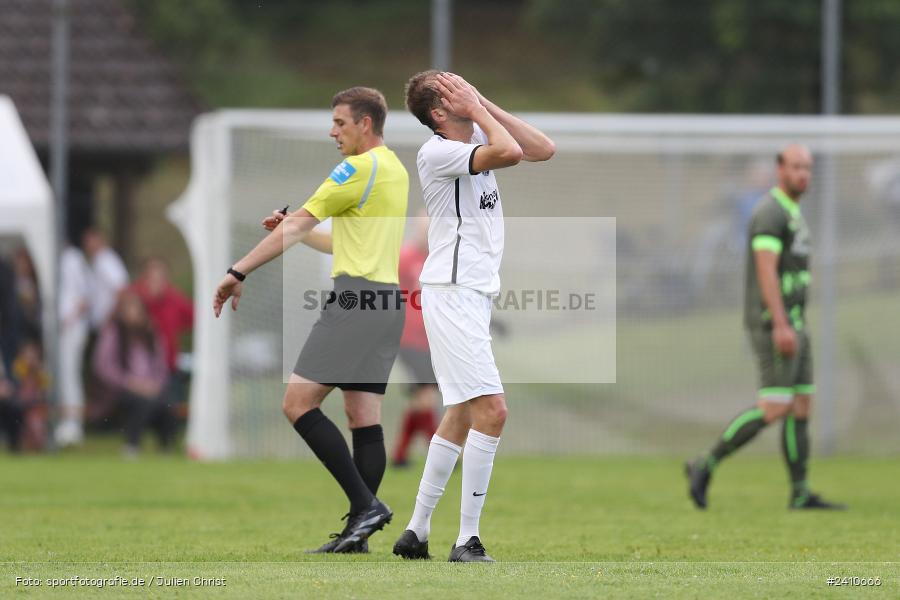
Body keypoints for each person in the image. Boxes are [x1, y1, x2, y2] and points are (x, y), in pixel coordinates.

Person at [214, 87, 409, 553]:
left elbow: (302, 222)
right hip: (387, 302)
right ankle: (357, 535)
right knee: (363, 417)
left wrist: (237, 270)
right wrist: (294, 228)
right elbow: (340, 240)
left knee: (297, 404)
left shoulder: (356, 167)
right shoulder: (394, 169)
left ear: (366, 124)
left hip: (356, 300)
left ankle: (367, 507)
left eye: (340, 123)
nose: (332, 131)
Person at [392, 71, 555, 562]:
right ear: (439, 114)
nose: (467, 94)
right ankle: (466, 541)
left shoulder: (479, 132)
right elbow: (509, 154)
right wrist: (479, 110)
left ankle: (416, 533)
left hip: (473, 294)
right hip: (452, 292)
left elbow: (542, 149)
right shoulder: (437, 151)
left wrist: (482, 101)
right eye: (454, 93)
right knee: (493, 411)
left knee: (461, 412)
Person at [685, 144, 845, 511]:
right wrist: (781, 324)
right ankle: (704, 464)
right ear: (780, 170)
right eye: (795, 167)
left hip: (796, 323)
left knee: (802, 403)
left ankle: (800, 493)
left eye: (807, 167)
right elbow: (765, 269)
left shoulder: (793, 213)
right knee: (774, 407)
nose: (803, 173)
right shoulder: (770, 212)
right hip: (776, 324)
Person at [93, 291, 174, 455]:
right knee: (140, 402)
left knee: (167, 402)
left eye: (136, 310)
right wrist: (130, 383)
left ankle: (166, 446)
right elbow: (104, 367)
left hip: (150, 389)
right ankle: (132, 445)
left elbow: (161, 366)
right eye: (129, 310)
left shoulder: (151, 334)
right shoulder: (113, 334)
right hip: (120, 391)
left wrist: (154, 385)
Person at [392, 214, 439, 467]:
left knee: (419, 398)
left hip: (433, 338)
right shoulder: (404, 258)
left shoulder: (438, 259)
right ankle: (443, 456)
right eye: (425, 228)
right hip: (409, 338)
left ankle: (400, 455)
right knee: (426, 395)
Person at [55, 244, 92, 446]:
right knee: (61, 376)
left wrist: (70, 316)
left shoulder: (72, 258)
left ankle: (73, 424)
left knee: (70, 375)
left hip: (71, 328)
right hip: (61, 328)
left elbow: (83, 297)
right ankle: (63, 421)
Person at [82, 228, 129, 331]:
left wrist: (110, 317)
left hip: (109, 323)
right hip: (99, 323)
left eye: (91, 241)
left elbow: (121, 289)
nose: (88, 245)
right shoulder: (96, 261)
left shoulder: (107, 260)